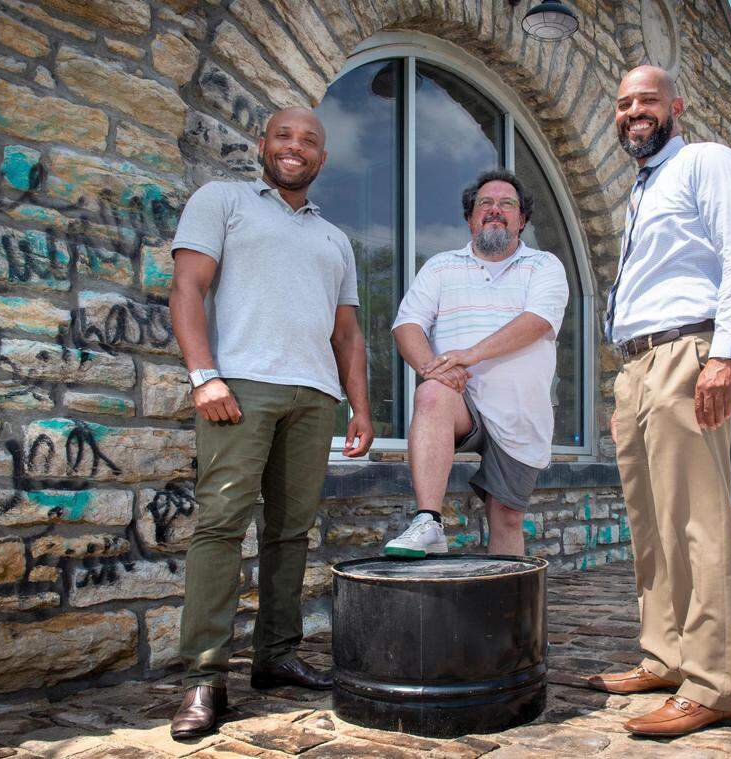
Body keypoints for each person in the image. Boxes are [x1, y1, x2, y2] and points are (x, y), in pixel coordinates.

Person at [167, 107, 374, 739]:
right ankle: (205, 677)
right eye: (284, 136)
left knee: (291, 532)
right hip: (241, 387)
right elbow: (187, 289)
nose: (296, 147)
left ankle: (277, 656)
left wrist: (360, 405)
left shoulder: (335, 239)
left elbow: (347, 332)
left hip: (315, 396)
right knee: (222, 525)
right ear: (263, 145)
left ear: (321, 158)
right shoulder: (223, 200)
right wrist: (205, 376)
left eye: (309, 141)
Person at [586, 66, 731, 738]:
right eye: (624, 101)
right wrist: (625, 378)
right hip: (640, 365)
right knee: (651, 524)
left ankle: (713, 682)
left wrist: (724, 354)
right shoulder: (643, 188)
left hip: (687, 352)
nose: (634, 110)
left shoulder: (706, 162)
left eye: (647, 100)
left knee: (697, 521)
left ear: (676, 106)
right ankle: (665, 655)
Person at [385, 169, 569, 558]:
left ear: (522, 219)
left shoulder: (544, 266)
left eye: (507, 204)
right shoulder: (440, 266)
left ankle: (507, 613)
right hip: (461, 401)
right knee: (432, 393)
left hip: (520, 413)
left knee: (506, 518)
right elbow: (407, 325)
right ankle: (428, 522)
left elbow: (536, 322)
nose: (495, 210)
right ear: (470, 217)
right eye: (485, 203)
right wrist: (433, 366)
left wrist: (469, 354)